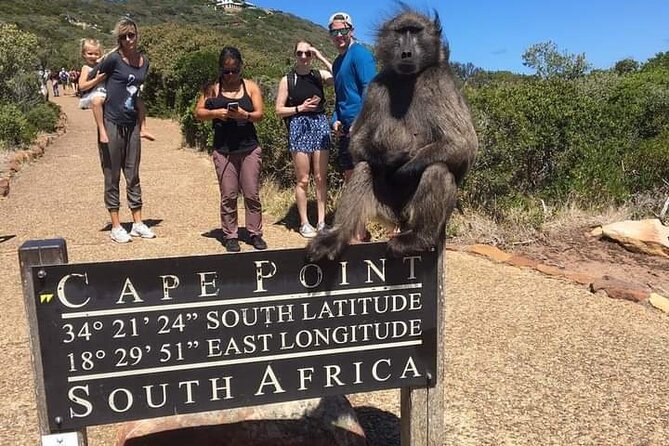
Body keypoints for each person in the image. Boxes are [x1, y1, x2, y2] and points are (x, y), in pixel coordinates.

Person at [194, 46, 267, 253]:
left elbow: (261, 114)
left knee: (252, 193)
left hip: (249, 148)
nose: (231, 75)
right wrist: (216, 112)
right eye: (226, 71)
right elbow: (198, 113)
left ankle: (255, 233)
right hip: (223, 149)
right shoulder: (212, 89)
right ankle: (230, 235)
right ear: (220, 69)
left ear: (240, 68)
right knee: (229, 195)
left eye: (235, 70)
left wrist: (244, 115)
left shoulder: (250, 87)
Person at [91, 18, 155, 243]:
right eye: (124, 36)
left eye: (132, 35)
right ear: (119, 39)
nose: (128, 39)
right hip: (112, 121)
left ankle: (137, 222)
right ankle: (116, 225)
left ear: (137, 36)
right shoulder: (113, 60)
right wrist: (98, 91)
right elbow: (90, 78)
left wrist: (142, 121)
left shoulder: (143, 62)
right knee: (112, 174)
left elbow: (137, 92)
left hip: (132, 123)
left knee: (133, 173)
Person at [275, 41, 333, 238]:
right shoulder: (288, 80)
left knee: (320, 178)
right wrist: (301, 108)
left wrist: (321, 56)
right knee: (303, 179)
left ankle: (322, 221)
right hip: (299, 127)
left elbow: (340, 77)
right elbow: (279, 110)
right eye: (300, 53)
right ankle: (304, 222)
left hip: (320, 124)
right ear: (295, 55)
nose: (303, 56)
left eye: (307, 53)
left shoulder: (319, 75)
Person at [328, 12, 377, 182]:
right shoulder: (336, 63)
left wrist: (359, 123)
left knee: (365, 179)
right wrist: (335, 119)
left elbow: (371, 91)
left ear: (351, 31)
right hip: (345, 131)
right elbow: (340, 96)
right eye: (334, 32)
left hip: (363, 130)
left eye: (343, 30)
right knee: (350, 177)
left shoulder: (361, 55)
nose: (339, 35)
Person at [78, 39, 110, 144]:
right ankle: (101, 129)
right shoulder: (86, 68)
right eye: (90, 53)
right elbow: (82, 86)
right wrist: (96, 80)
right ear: (84, 54)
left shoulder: (103, 66)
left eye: (96, 54)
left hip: (106, 92)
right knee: (96, 101)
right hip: (94, 93)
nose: (93, 56)